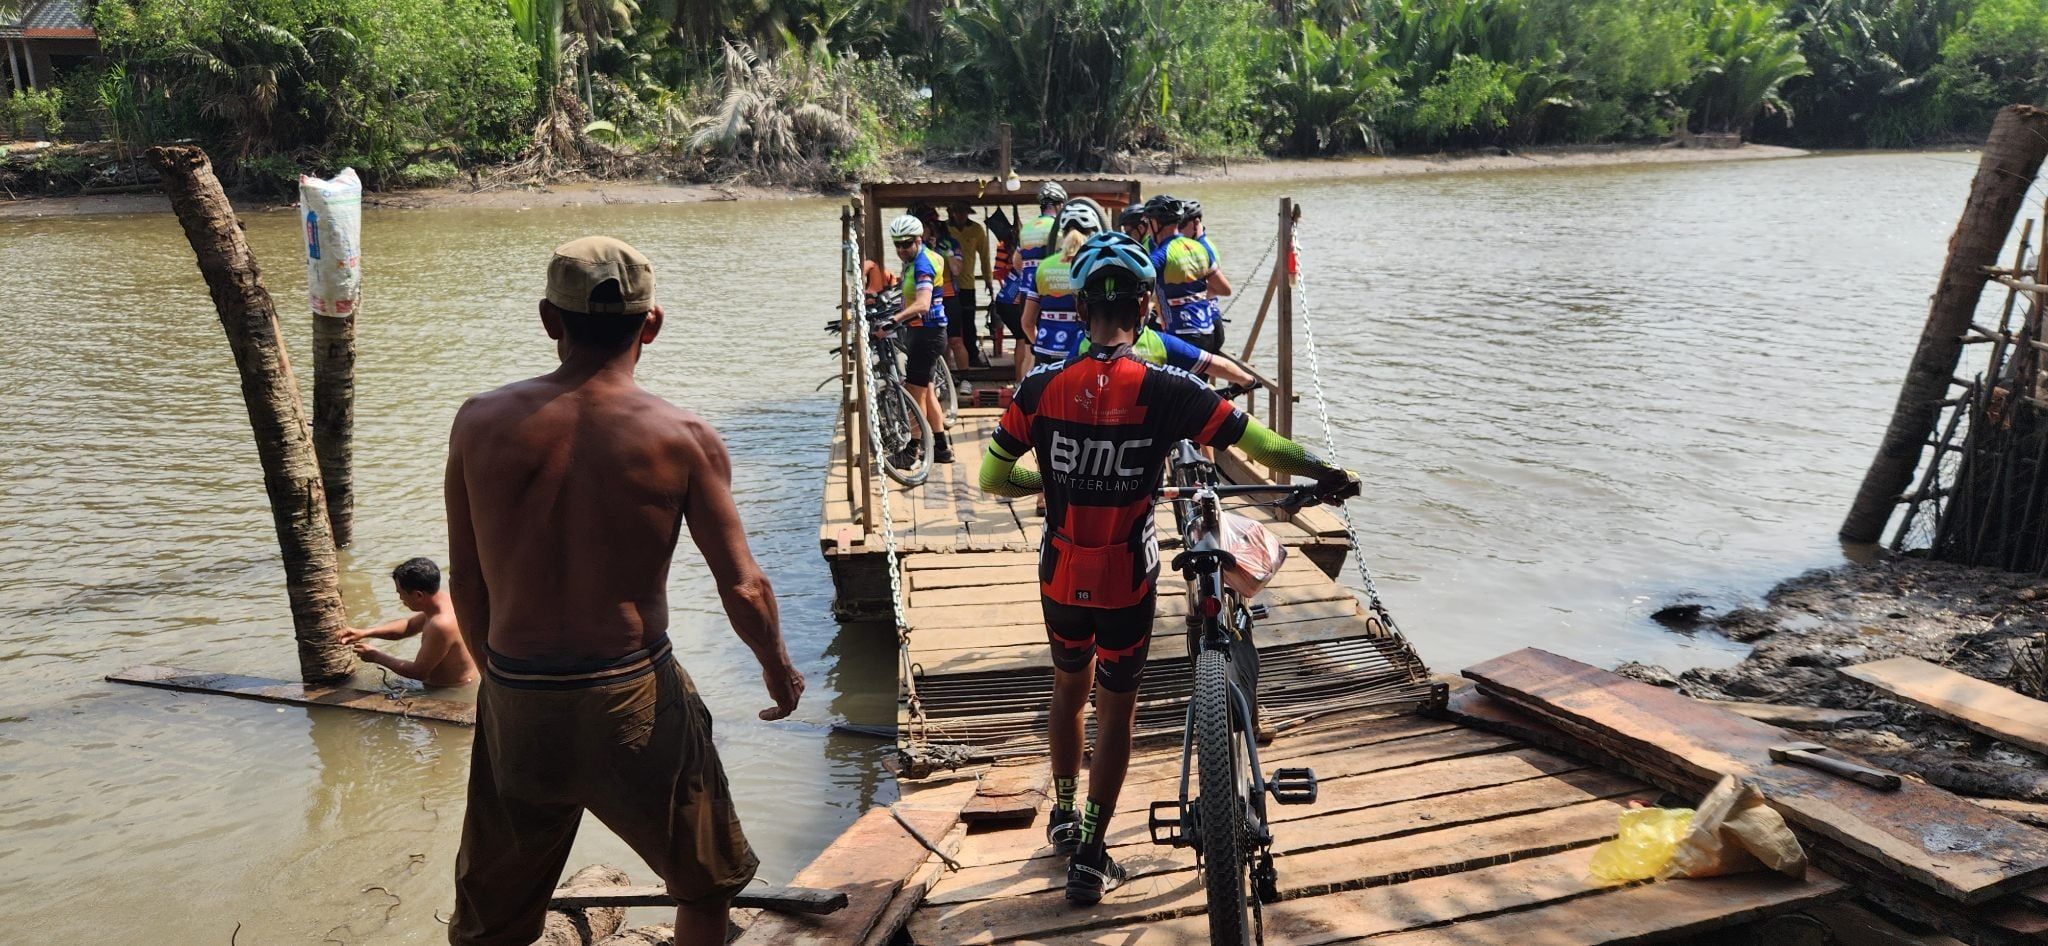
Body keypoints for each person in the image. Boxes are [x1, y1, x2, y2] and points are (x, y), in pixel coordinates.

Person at [443, 236, 805, 946]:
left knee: (493, 919)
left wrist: (504, 686)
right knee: (705, 884)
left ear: (550, 320)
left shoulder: (478, 422)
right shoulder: (681, 436)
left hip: (518, 690)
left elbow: (466, 580)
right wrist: (777, 668)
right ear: (653, 324)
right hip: (632, 693)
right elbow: (745, 584)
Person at [977, 231, 1359, 905]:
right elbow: (1258, 442)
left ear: (1083, 307)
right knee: (1115, 711)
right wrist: (1323, 470)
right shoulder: (1166, 388)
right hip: (1128, 577)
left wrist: (1045, 478)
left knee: (1069, 688)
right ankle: (1094, 851)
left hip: (1060, 573)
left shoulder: (1039, 387)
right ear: (1145, 310)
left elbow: (990, 475)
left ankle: (1063, 815)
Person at [338, 557, 478, 688]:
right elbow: (408, 626)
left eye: (401, 594)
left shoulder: (441, 625)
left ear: (418, 595)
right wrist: (364, 633)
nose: (400, 598)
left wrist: (376, 656)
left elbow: (418, 673)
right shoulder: (444, 601)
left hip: (450, 690)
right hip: (449, 683)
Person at [888, 214, 956, 464]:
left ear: (919, 239)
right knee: (926, 391)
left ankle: (911, 452)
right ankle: (941, 448)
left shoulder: (923, 264)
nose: (901, 249)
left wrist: (894, 320)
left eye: (906, 243)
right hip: (928, 333)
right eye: (896, 244)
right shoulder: (918, 258)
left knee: (914, 395)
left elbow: (923, 303)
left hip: (926, 333)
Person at [1016, 198, 1105, 379]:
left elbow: (1027, 322)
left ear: (1062, 235)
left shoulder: (1044, 267)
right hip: (1081, 352)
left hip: (1046, 351)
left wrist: (1038, 345)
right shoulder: (1095, 266)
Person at [1148, 197, 1232, 353]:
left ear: (1156, 224)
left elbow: (1138, 289)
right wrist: (1195, 295)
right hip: (1209, 331)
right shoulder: (1201, 249)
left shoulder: (1161, 255)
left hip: (1181, 335)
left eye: (1148, 223)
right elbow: (1225, 289)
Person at [1013, 182, 1066, 379]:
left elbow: (1016, 262)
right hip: (1048, 291)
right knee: (1046, 350)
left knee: (1030, 348)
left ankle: (1022, 390)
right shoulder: (1058, 227)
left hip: (1026, 291)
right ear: (1060, 205)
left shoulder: (1027, 228)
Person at [911, 203, 968, 374]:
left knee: (955, 340)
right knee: (936, 342)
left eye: (923, 228)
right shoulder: (915, 248)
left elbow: (957, 269)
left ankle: (964, 378)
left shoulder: (949, 243)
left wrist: (943, 251)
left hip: (948, 296)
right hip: (925, 299)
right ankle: (945, 377)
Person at [947, 201, 993, 368]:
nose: (960, 215)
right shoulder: (944, 230)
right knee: (949, 325)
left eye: (963, 212)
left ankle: (972, 355)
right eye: (957, 212)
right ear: (951, 212)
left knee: (969, 322)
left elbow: (985, 257)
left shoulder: (977, 230)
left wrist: (988, 280)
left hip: (967, 284)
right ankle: (948, 361)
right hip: (948, 286)